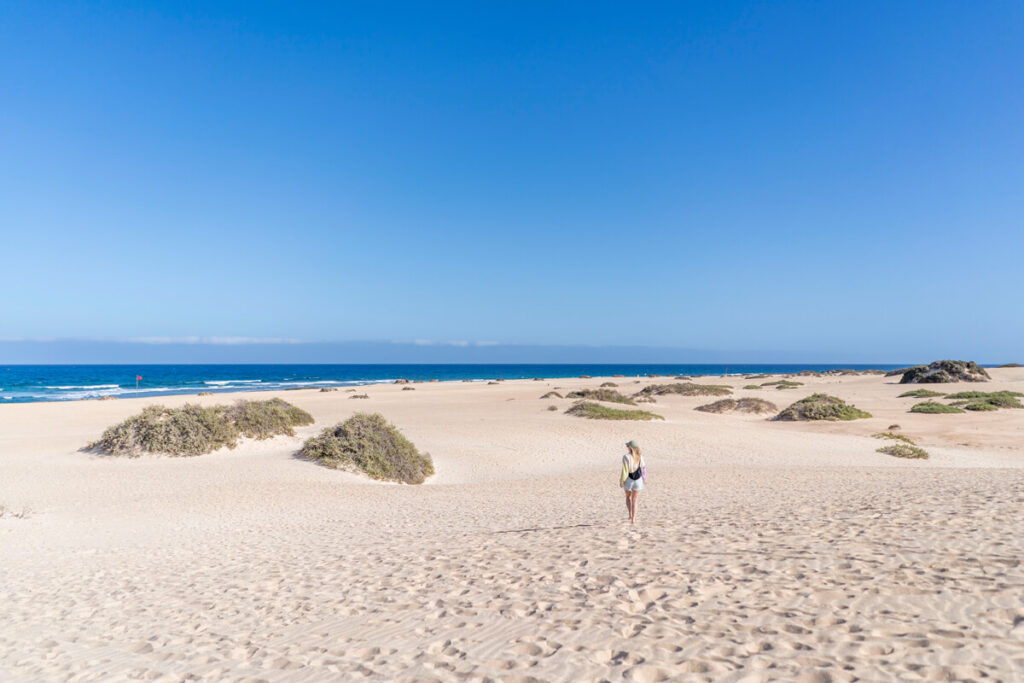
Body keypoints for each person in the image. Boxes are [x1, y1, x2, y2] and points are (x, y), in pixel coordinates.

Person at [619, 440, 646, 524]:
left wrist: (621, 481)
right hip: (638, 480)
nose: (627, 447)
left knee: (628, 497)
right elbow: (644, 468)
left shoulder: (626, 457)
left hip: (629, 480)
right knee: (635, 500)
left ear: (630, 447)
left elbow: (625, 471)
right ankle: (633, 519)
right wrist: (644, 479)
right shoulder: (640, 456)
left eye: (627, 446)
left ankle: (630, 514)